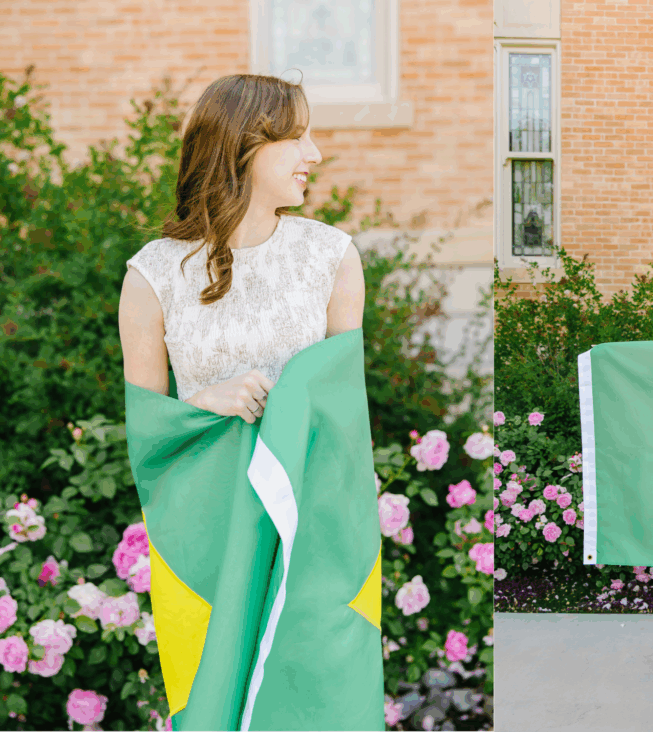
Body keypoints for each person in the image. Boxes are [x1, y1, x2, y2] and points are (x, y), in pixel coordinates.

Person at [117, 73, 378, 730]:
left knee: (318, 699)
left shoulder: (331, 258)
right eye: (296, 137)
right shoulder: (153, 275)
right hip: (210, 531)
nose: (314, 154)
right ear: (243, 146)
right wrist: (204, 403)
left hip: (314, 525)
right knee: (216, 702)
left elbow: (345, 416)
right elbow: (146, 434)